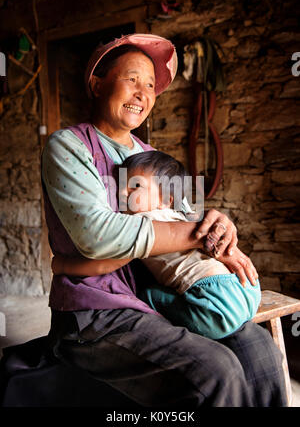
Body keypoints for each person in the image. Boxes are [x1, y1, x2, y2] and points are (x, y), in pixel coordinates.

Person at [42, 33, 287, 407]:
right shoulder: (68, 146)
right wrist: (193, 234)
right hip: (95, 313)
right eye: (132, 79)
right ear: (96, 83)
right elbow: (99, 235)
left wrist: (220, 227)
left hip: (157, 298)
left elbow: (188, 218)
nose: (143, 92)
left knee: (261, 354)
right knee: (216, 371)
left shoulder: (151, 155)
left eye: (151, 85)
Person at [52, 150, 262, 341]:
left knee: (147, 295)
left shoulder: (142, 222)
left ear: (166, 200)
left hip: (213, 305)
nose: (123, 194)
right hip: (248, 288)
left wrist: (62, 266)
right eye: (122, 187)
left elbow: (104, 265)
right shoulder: (184, 215)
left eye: (135, 186)